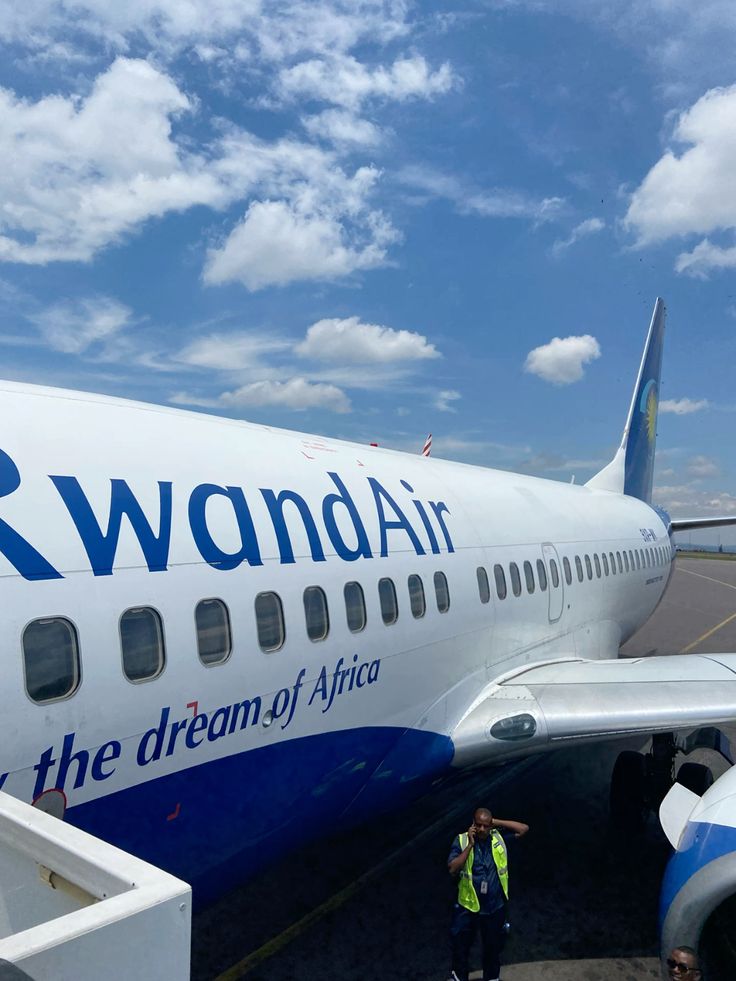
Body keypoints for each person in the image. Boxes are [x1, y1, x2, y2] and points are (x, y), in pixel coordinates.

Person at [447, 806, 529, 981]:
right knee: (461, 948)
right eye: (478, 825)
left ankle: (491, 978)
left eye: (486, 825)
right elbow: (453, 868)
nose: (482, 829)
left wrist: (494, 822)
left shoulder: (498, 838)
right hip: (468, 906)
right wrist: (470, 845)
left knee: (492, 948)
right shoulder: (462, 841)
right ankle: (459, 978)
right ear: (473, 824)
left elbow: (523, 829)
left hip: (493, 906)